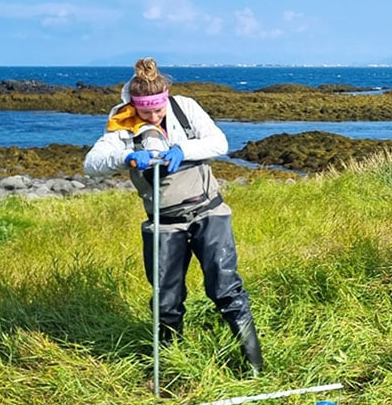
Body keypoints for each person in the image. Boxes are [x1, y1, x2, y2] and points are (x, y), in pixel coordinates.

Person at [83, 57, 263, 375]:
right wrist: (126, 157)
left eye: (158, 108)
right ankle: (170, 369)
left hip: (209, 212)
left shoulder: (185, 108)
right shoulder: (122, 123)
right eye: (146, 111)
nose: (153, 116)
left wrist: (183, 149)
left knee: (226, 289)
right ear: (134, 104)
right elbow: (92, 164)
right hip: (163, 222)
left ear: (166, 98)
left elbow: (219, 142)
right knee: (166, 302)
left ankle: (255, 369)